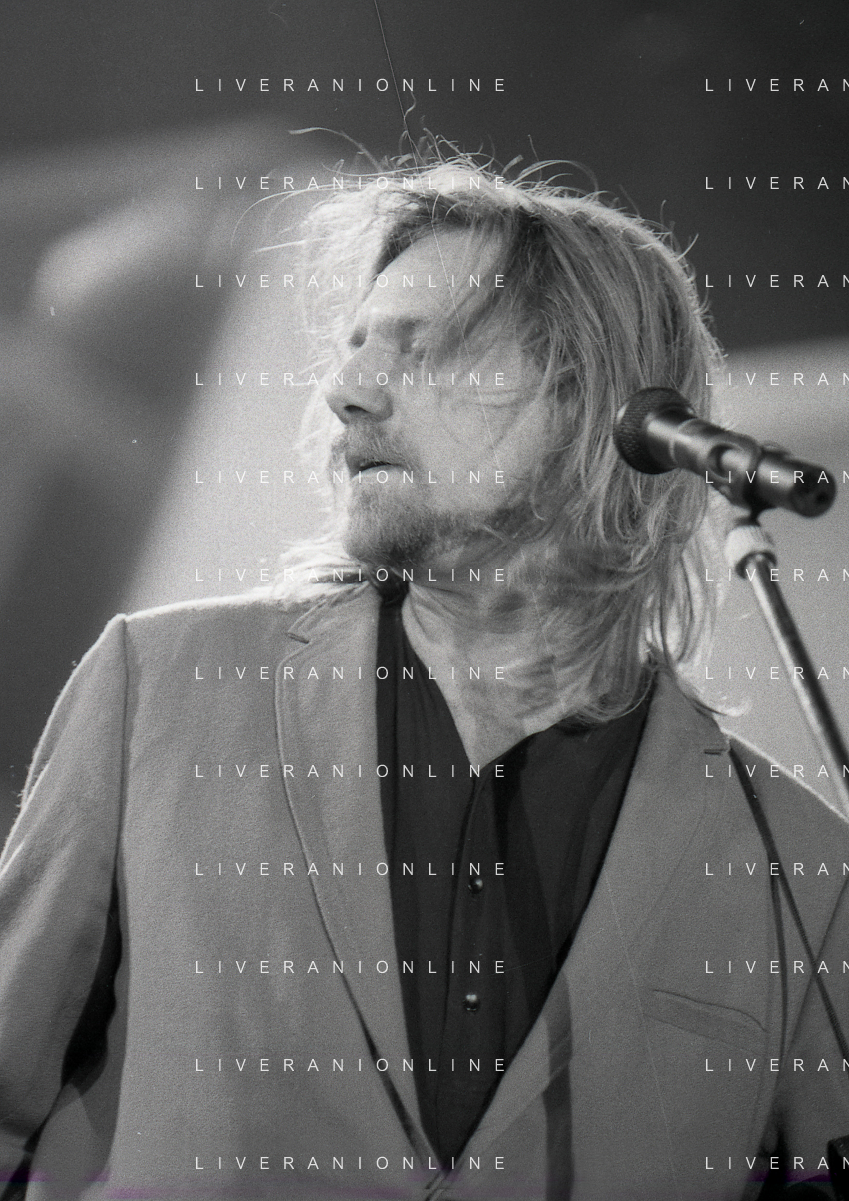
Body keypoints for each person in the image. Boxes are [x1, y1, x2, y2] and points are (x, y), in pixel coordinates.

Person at [1, 156, 848, 1201]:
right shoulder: (159, 693)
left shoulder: (801, 868)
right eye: (357, 345)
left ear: (595, 399)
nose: (346, 391)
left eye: (422, 348)